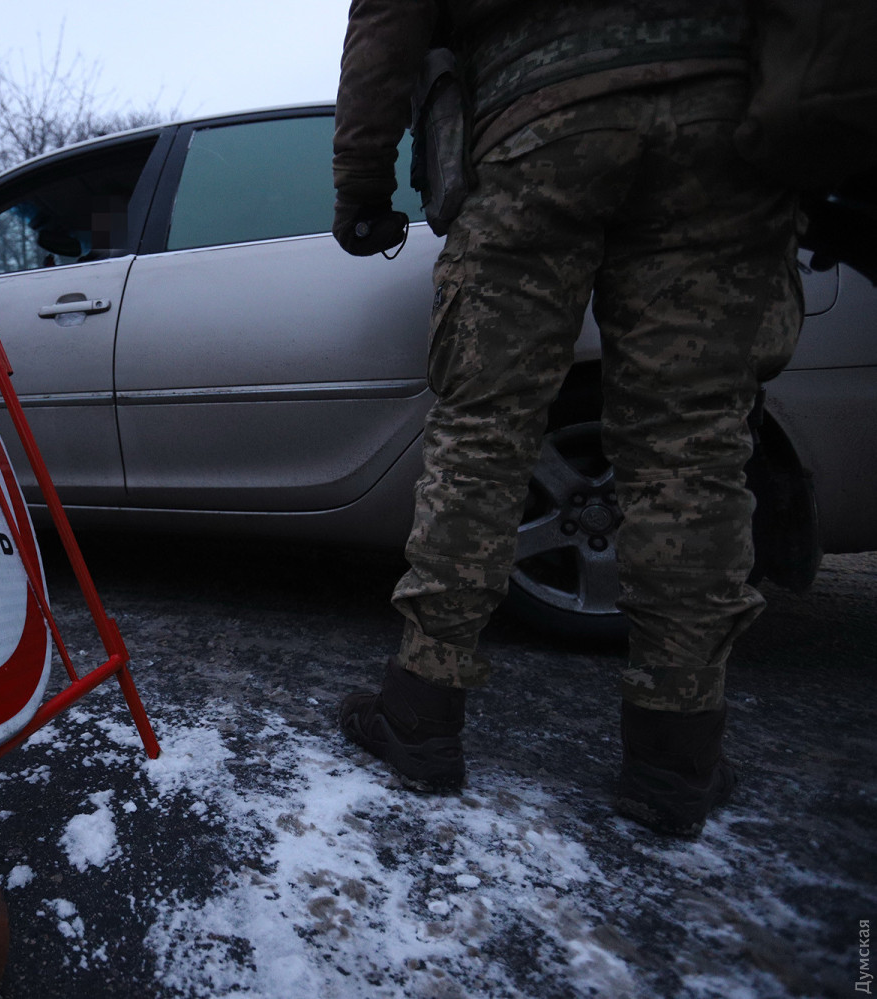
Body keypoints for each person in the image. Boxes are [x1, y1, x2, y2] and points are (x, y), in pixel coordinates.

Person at [330, 0, 802, 838]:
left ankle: (421, 711)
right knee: (690, 446)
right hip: (719, 116)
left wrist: (363, 182)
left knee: (481, 434)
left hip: (534, 122)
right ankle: (675, 755)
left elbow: (388, 18)